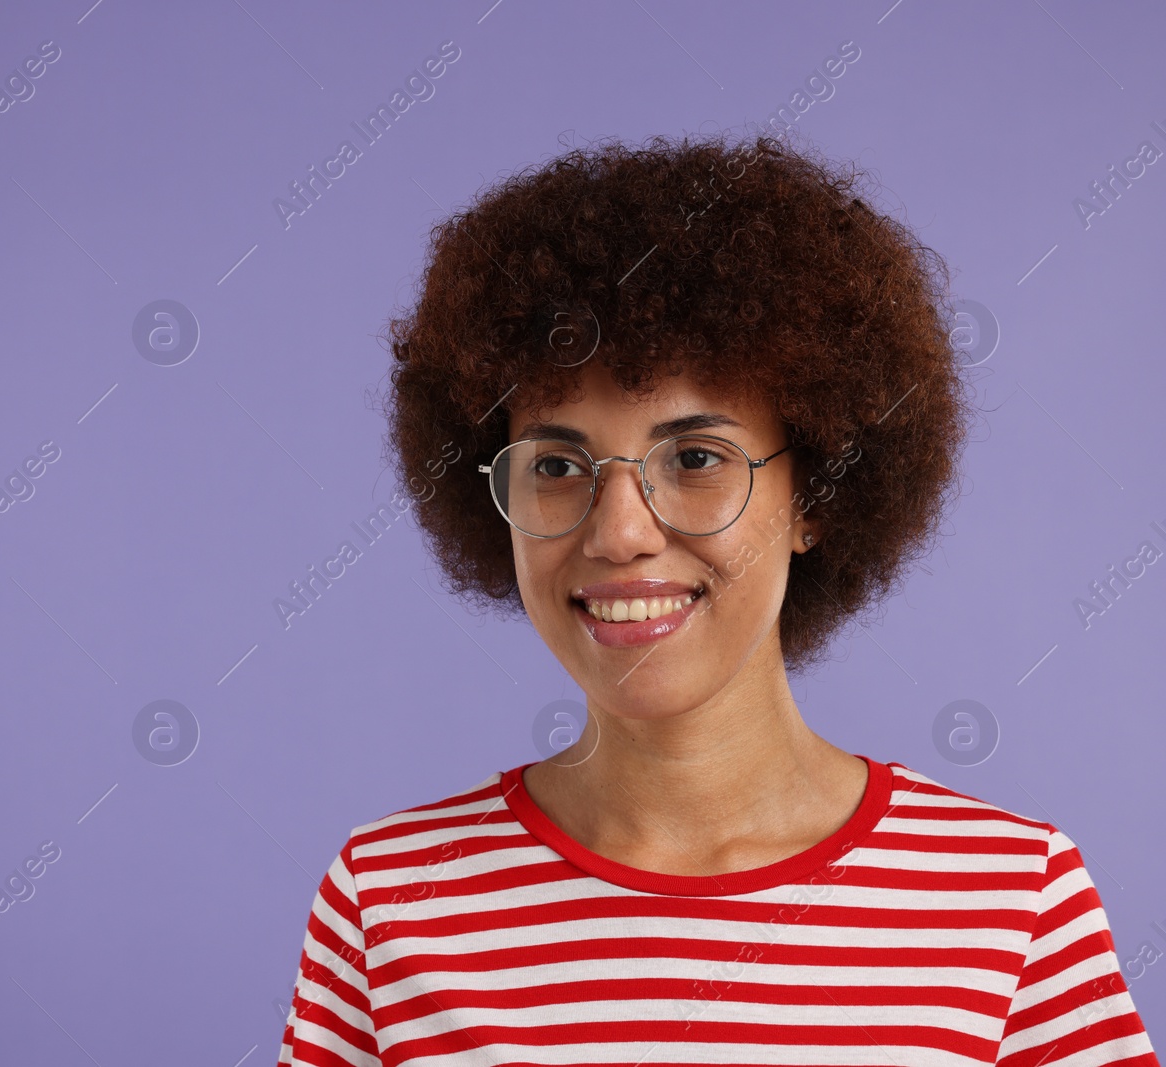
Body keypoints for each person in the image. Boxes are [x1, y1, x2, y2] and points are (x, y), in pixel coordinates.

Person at [275, 132, 1159, 1067]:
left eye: (695, 459)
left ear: (814, 495)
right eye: (558, 465)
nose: (619, 531)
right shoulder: (392, 905)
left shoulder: (1008, 899)